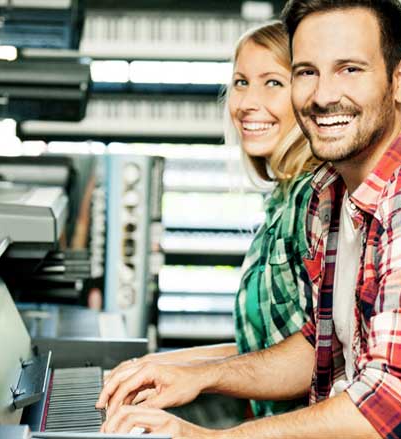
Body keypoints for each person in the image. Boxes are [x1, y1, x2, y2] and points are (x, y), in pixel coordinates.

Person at [95, 1, 401, 438]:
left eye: (349, 70)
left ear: (398, 79)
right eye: (307, 71)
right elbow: (320, 350)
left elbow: (385, 409)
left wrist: (208, 437)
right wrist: (197, 375)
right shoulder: (333, 194)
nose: (323, 95)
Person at [105, 21, 321, 418]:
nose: (246, 103)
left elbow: (316, 357)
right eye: (241, 82)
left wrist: (199, 375)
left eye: (272, 82)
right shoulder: (284, 199)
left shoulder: (315, 199)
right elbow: (264, 349)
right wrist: (161, 365)